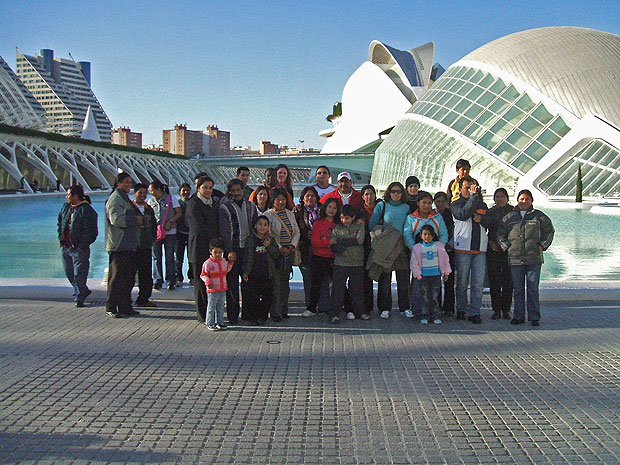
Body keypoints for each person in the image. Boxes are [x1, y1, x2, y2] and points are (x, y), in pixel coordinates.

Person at [498, 190, 554, 327]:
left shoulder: (539, 216)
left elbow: (549, 231)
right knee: (517, 289)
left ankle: (534, 317)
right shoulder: (509, 217)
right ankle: (518, 316)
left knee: (532, 289)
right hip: (516, 258)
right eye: (522, 199)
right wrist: (507, 247)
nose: (524, 202)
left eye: (527, 199)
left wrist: (542, 245)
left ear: (531, 201)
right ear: (517, 200)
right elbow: (500, 234)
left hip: (533, 259)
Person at [403, 191, 449, 317]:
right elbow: (407, 235)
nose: (426, 206)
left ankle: (434, 311)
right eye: (424, 202)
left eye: (429, 203)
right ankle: (417, 310)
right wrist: (415, 249)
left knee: (434, 285)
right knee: (418, 284)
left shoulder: (437, 217)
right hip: (418, 257)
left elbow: (444, 234)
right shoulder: (411, 218)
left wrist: (438, 248)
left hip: (434, 257)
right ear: (418, 203)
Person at [451, 176, 490, 324]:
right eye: (466, 187)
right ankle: (461, 309)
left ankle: (475, 311)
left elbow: (490, 222)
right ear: (460, 189)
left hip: (479, 249)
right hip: (463, 248)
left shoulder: (483, 205)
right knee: (461, 282)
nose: (469, 190)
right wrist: (473, 198)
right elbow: (463, 214)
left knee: (478, 283)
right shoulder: (456, 204)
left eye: (472, 187)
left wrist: (483, 219)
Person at [369, 181, 410, 319]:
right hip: (386, 247)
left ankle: (404, 307)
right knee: (385, 279)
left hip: (401, 246)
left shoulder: (406, 207)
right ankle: (384, 308)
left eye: (398, 191)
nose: (396, 194)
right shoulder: (382, 205)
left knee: (403, 278)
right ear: (389, 192)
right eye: (393, 191)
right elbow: (372, 224)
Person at [219, 178, 257, 324]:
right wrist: (228, 250)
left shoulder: (251, 206)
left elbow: (254, 227)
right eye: (233, 191)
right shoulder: (225, 208)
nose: (236, 193)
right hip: (233, 250)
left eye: (238, 190)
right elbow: (224, 231)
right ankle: (233, 315)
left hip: (247, 250)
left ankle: (248, 314)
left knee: (249, 283)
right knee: (232, 284)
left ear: (243, 190)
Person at [186, 176, 222, 323]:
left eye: (210, 188)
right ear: (198, 188)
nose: (208, 190)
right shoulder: (194, 203)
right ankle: (203, 315)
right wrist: (215, 240)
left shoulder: (212, 203)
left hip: (211, 250)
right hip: (199, 249)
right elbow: (198, 226)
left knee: (212, 282)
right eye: (205, 187)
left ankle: (211, 313)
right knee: (201, 283)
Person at [57, 184, 98, 307]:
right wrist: (61, 236)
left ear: (76, 196)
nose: (66, 197)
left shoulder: (87, 210)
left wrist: (82, 245)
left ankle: (79, 297)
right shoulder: (66, 207)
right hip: (66, 246)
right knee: (69, 272)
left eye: (69, 195)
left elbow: (91, 231)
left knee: (79, 273)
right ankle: (82, 290)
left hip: (79, 248)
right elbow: (60, 221)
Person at [104, 172, 139, 318]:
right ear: (118, 184)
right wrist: (136, 219)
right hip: (118, 244)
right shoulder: (115, 199)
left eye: (130, 183)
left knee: (127, 277)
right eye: (126, 182)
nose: (129, 185)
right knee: (116, 277)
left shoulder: (124, 198)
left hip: (128, 244)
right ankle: (111, 306)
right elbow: (116, 220)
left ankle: (125, 306)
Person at [265, 188, 300, 321]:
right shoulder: (268, 215)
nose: (281, 202)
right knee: (276, 284)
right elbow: (268, 234)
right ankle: (275, 312)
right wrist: (280, 249)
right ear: (273, 200)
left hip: (289, 253)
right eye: (278, 199)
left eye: (283, 199)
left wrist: (292, 246)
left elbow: (296, 232)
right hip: (276, 254)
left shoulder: (290, 214)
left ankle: (284, 310)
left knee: (285, 283)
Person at [303, 197, 339, 318]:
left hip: (334, 258)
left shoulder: (338, 224)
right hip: (319, 257)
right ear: (325, 208)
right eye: (330, 207)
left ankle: (345, 308)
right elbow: (315, 242)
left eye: (334, 208)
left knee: (338, 284)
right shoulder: (318, 223)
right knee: (316, 284)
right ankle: (312, 308)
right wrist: (329, 242)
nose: (332, 210)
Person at [328, 204, 366, 323]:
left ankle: (360, 312)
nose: (344, 221)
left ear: (353, 217)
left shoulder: (359, 226)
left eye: (347, 218)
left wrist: (340, 241)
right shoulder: (337, 228)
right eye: (342, 218)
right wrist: (340, 249)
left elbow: (359, 240)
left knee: (357, 290)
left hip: (356, 262)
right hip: (341, 263)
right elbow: (332, 244)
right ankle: (334, 314)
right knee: (337, 290)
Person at [242, 216, 280, 325]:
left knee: (266, 297)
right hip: (253, 273)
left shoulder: (270, 239)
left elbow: (276, 254)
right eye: (260, 224)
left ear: (268, 227)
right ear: (255, 225)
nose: (262, 227)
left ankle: (262, 317)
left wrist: (268, 246)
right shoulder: (250, 239)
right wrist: (245, 271)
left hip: (267, 273)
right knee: (253, 297)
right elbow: (246, 257)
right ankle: (253, 317)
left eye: (265, 225)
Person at [410, 225, 452, 325]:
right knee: (424, 297)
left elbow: (445, 260)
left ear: (433, 236)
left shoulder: (439, 246)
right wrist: (417, 274)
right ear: (421, 236)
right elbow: (414, 262)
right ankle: (425, 315)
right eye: (425, 234)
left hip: (436, 276)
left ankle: (435, 315)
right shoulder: (417, 248)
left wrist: (446, 272)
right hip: (423, 276)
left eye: (429, 235)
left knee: (434, 297)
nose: (427, 236)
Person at [148, 180, 182, 290]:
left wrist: (170, 221)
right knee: (156, 257)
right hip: (156, 233)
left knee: (169, 257)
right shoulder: (150, 201)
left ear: (159, 190)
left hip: (170, 232)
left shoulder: (172, 199)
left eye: (152, 190)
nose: (151, 193)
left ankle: (170, 280)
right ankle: (157, 279)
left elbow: (179, 213)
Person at [486, 188, 513, 320]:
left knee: (508, 281)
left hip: (509, 249)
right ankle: (496, 309)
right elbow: (485, 229)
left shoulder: (513, 211)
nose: (500, 199)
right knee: (494, 280)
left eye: (502, 196)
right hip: (493, 249)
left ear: (507, 198)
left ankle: (506, 309)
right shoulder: (490, 212)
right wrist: (490, 242)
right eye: (497, 196)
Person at [294, 186, 323, 310]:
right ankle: (310, 306)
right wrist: (306, 234)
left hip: (321, 250)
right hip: (304, 249)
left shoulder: (323, 211)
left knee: (322, 279)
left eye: (312, 195)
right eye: (307, 196)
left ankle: (323, 306)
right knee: (307, 279)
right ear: (303, 198)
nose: (310, 198)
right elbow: (295, 230)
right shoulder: (298, 211)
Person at [201, 238, 235, 331]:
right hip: (212, 290)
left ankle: (220, 322)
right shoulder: (207, 263)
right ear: (210, 251)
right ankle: (210, 323)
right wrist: (208, 282)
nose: (217, 254)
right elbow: (203, 275)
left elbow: (226, 269)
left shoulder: (223, 261)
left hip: (222, 288)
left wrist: (231, 262)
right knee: (211, 307)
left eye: (220, 252)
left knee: (220, 307)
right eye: (215, 252)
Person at [132, 183, 157, 307]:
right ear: (134, 193)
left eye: (144, 193)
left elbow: (153, 226)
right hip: (132, 247)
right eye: (139, 193)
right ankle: (125, 299)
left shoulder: (149, 209)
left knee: (146, 274)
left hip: (146, 246)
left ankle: (144, 298)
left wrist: (151, 239)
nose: (142, 195)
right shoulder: (130, 208)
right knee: (130, 274)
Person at [433, 191, 455, 316]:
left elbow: (455, 229)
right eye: (438, 201)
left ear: (446, 203)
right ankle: (436, 305)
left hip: (449, 250)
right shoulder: (432, 214)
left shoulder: (451, 214)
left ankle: (449, 307)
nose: (440, 204)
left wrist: (450, 244)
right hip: (436, 250)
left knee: (449, 279)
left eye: (443, 201)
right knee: (435, 280)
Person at [359, 185, 380, 317]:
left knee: (381, 276)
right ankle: (367, 306)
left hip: (379, 247)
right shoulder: (359, 211)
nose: (369, 197)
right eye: (366, 194)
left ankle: (384, 307)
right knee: (365, 278)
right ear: (362, 197)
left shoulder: (381, 209)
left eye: (371, 194)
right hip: (365, 247)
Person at [175, 183, 193, 286]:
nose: (186, 192)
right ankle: (179, 278)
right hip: (179, 233)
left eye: (187, 190)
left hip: (191, 233)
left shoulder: (193, 203)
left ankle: (191, 277)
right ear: (180, 192)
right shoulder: (177, 204)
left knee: (191, 257)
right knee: (179, 257)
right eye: (183, 190)